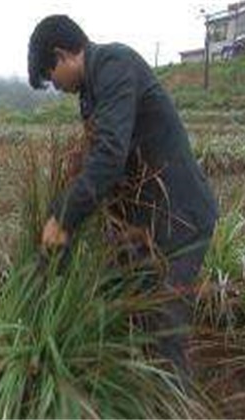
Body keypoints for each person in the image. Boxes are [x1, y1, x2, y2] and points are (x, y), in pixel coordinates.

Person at [27, 15, 218, 380]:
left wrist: (63, 216)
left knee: (164, 324)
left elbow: (110, 154)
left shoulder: (115, 64)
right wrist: (62, 226)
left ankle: (174, 404)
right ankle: (138, 387)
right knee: (125, 302)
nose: (56, 86)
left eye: (51, 78)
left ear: (62, 55)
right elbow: (100, 165)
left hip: (181, 218)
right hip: (145, 221)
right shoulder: (90, 91)